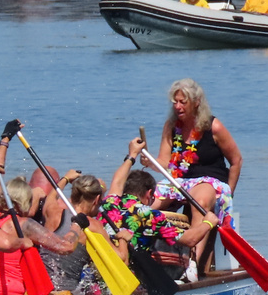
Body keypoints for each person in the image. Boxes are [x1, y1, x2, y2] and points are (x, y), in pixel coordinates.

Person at [154, 78, 243, 272]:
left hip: (210, 181)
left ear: (196, 102)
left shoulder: (214, 127)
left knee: (199, 201)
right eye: (175, 102)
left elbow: (236, 161)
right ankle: (144, 255)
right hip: (180, 181)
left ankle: (191, 264)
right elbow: (164, 162)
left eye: (182, 102)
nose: (177, 106)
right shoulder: (171, 127)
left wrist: (229, 193)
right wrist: (146, 161)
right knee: (151, 203)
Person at [99, 137, 217, 270]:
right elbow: (190, 239)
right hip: (127, 276)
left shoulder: (109, 203)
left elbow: (117, 181)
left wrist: (132, 155)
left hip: (100, 271)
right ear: (149, 194)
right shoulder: (149, 216)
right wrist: (208, 223)